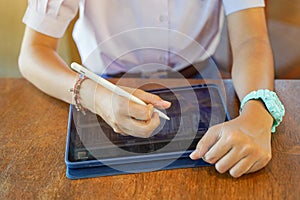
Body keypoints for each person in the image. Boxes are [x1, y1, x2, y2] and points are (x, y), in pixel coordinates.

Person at [18, 0, 284, 178]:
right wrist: (95, 97)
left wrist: (258, 112)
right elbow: (33, 52)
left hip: (198, 82)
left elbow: (251, 38)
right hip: (102, 87)